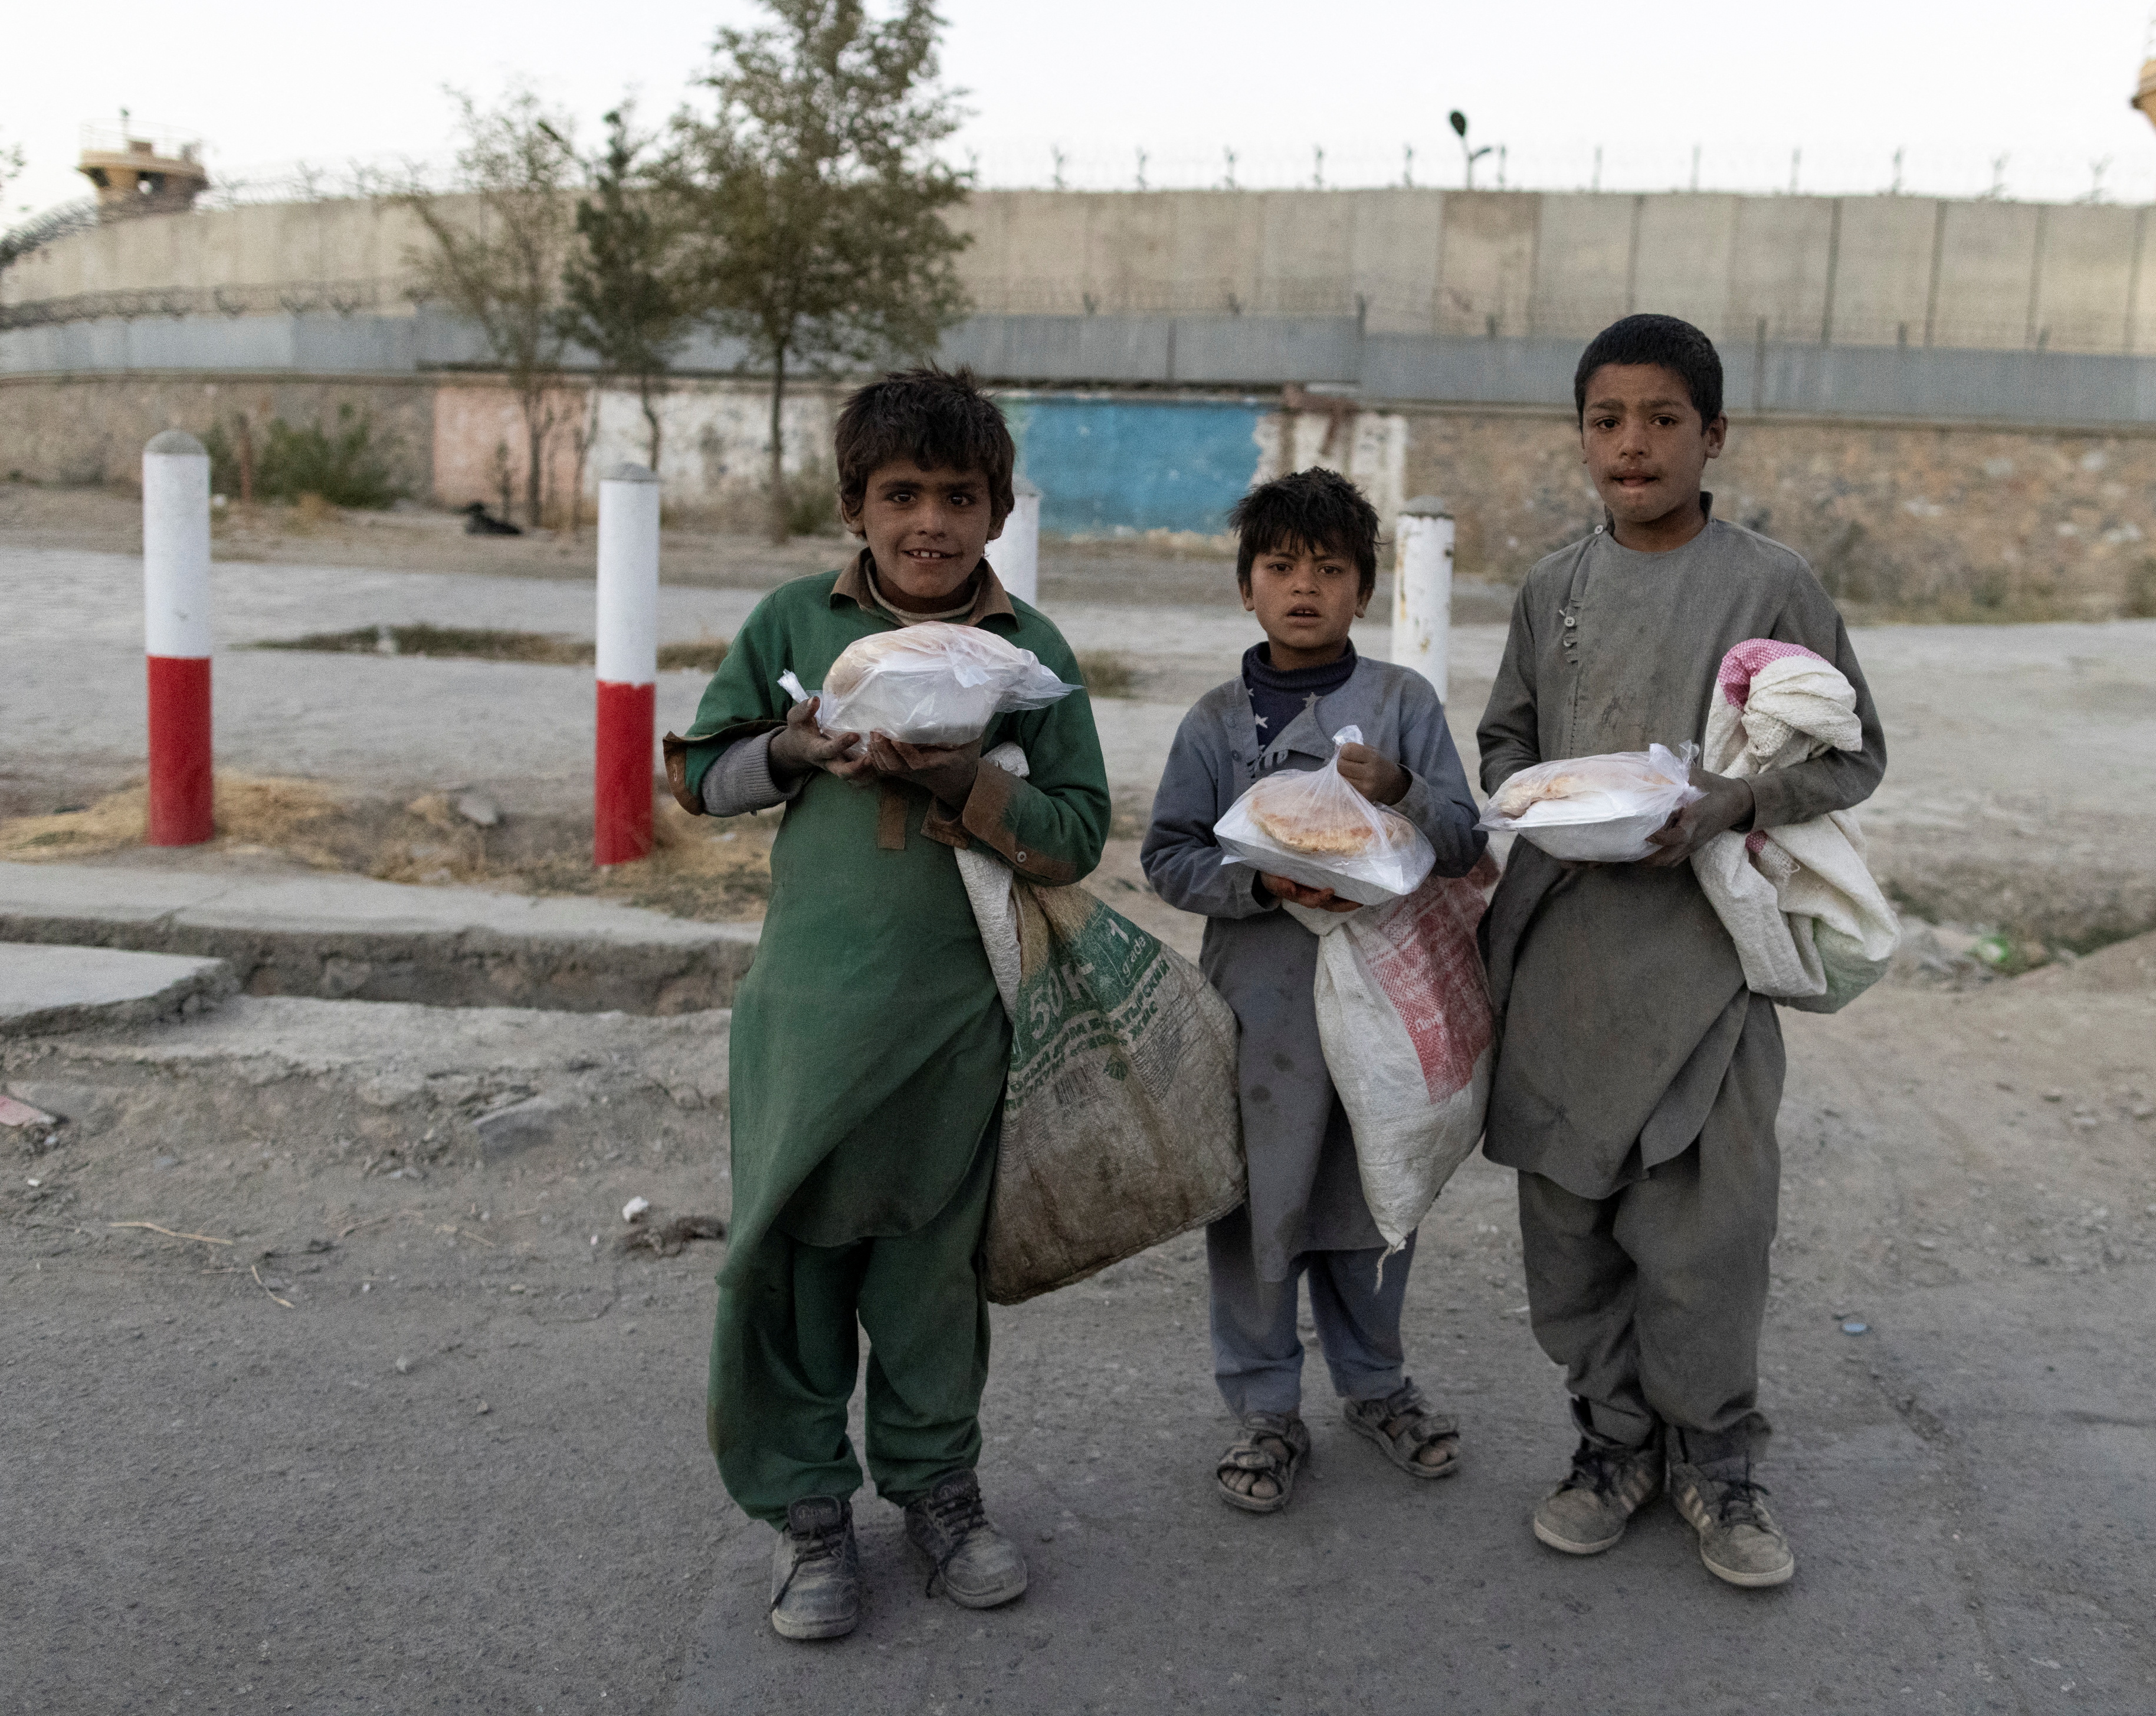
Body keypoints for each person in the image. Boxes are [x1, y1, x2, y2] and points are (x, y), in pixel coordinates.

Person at [664, 367, 1110, 1643]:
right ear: (855, 504)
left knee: (928, 1277)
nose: (929, 522)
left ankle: (940, 1494)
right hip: (806, 1021)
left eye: (957, 498)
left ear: (998, 509)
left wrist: (966, 779)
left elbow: (1076, 835)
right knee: (791, 1270)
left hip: (955, 1024)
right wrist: (799, 749)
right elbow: (697, 780)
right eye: (900, 495)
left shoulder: (1029, 653)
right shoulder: (797, 625)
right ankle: (807, 1517)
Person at [1475, 314, 1885, 1590]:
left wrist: (1731, 804)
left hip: (1708, 968)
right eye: (1607, 421)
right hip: (1559, 963)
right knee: (1571, 1228)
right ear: (1582, 437)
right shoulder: (1554, 590)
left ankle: (1719, 1462)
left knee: (1707, 1237)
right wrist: (1537, 795)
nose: (1632, 445)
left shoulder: (1772, 586)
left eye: (1662, 421)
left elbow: (1850, 748)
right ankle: (1612, 1447)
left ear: (1712, 436)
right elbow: (1503, 741)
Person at [1141, 467, 1487, 1514]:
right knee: (1258, 1194)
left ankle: (1378, 1386)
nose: (1306, 588)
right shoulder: (1214, 723)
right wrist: (1256, 881)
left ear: (1364, 592)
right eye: (1281, 567)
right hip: (1261, 1000)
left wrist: (1406, 792)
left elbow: (1468, 839)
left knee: (1377, 1181)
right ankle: (1263, 1406)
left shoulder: (1400, 706)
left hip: (1385, 989)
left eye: (1330, 570)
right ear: (1246, 587)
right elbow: (1168, 857)